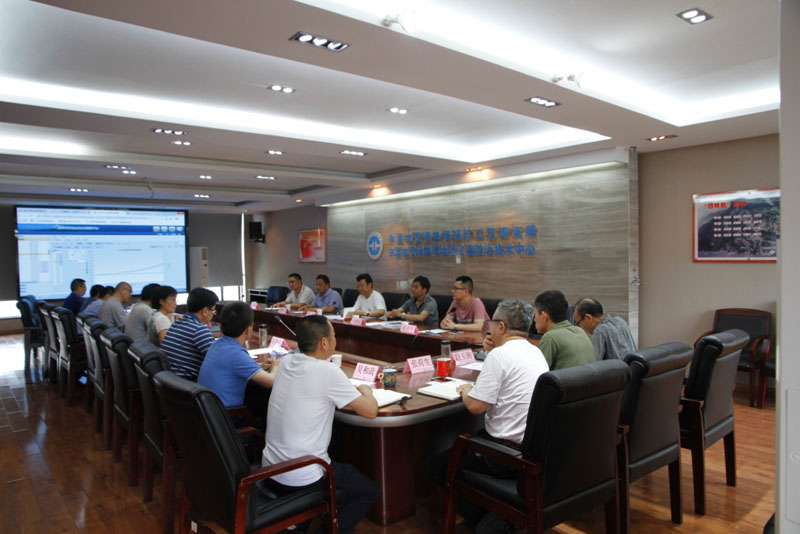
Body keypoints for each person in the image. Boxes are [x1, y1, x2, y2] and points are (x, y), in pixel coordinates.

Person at [432, 298, 548, 533]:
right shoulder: (536, 352)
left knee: (438, 465)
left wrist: (466, 390)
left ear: (501, 327)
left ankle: (494, 515)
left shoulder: (500, 355)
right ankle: (495, 514)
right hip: (532, 450)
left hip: (503, 455)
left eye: (492, 323)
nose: (489, 327)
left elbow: (475, 407)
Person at [262, 315, 379, 534]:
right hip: (302, 474)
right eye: (334, 336)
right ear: (324, 343)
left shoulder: (286, 362)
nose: (336, 340)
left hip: (269, 467)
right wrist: (367, 392)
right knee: (369, 491)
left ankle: (294, 524)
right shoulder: (328, 371)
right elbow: (370, 411)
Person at [197, 301, 278, 408]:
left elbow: (233, 366)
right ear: (248, 329)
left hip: (208, 411)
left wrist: (259, 366)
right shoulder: (236, 354)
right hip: (229, 414)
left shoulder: (216, 344)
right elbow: (272, 382)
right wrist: (275, 366)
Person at [160, 287, 218, 380]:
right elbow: (219, 360)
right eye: (213, 311)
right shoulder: (199, 330)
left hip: (170, 380)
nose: (213, 314)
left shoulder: (177, 323)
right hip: (187, 383)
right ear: (205, 311)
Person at [533, 290, 594, 370]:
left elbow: (536, 372)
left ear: (544, 316)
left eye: (535, 314)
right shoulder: (580, 331)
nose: (534, 320)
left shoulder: (550, 338)